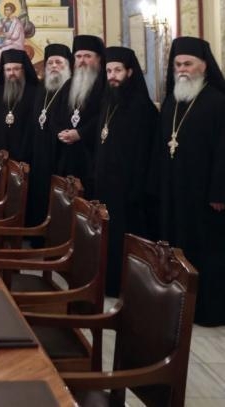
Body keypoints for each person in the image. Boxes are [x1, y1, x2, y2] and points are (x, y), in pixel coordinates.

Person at [153, 37, 225, 326]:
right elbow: (161, 145)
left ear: (204, 66)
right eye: (178, 65)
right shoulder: (172, 100)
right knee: (175, 247)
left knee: (204, 251)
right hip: (173, 190)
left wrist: (219, 191)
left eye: (188, 64)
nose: (182, 69)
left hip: (204, 193)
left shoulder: (218, 102)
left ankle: (207, 310)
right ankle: (177, 307)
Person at [90, 46, 157, 296]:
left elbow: (145, 154)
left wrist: (135, 188)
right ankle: (108, 284)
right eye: (108, 71)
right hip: (106, 186)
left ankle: (128, 290)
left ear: (130, 72)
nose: (112, 76)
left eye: (118, 70)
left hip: (129, 191)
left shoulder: (142, 107)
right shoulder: (108, 101)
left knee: (126, 238)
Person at [26, 43, 71, 228]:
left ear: (67, 65)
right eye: (50, 63)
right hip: (39, 153)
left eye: (58, 62)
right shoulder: (41, 88)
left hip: (59, 154)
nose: (54, 66)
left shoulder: (71, 89)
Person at [54, 35, 105, 195]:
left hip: (92, 155)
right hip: (68, 154)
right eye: (78, 56)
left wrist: (81, 133)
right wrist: (61, 132)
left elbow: (104, 117)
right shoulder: (69, 84)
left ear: (98, 59)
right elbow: (56, 113)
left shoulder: (105, 85)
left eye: (87, 56)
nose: (82, 60)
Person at [0, 49, 37, 161]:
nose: (12, 73)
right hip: (0, 150)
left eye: (16, 69)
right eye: (8, 69)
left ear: (23, 70)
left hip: (25, 151)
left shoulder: (34, 92)